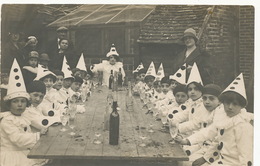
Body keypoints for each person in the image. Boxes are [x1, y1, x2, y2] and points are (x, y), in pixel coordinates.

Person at [174, 73, 253, 166]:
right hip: (220, 160)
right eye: (227, 103)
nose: (230, 107)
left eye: (235, 104)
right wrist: (187, 142)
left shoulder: (243, 126)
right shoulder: (224, 120)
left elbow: (247, 157)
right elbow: (213, 137)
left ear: (242, 106)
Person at [0, 58, 48, 166]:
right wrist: (37, 136)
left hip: (24, 150)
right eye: (15, 102)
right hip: (12, 154)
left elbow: (29, 131)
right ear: (9, 104)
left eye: (23, 101)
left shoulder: (24, 116)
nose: (20, 104)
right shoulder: (7, 120)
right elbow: (18, 139)